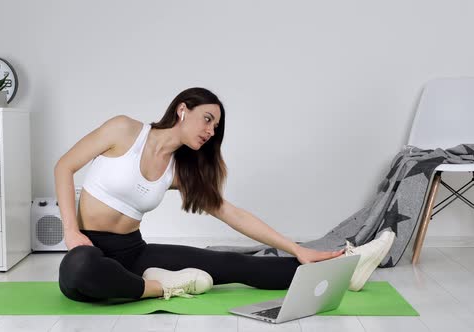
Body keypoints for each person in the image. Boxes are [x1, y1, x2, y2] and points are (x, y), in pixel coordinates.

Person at [54, 87, 390, 302]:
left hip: (133, 252)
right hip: (88, 248)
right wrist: (70, 230)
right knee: (80, 269)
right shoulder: (124, 130)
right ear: (182, 109)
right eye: (207, 119)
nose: (210, 131)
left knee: (234, 264)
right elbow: (64, 167)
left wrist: (297, 248)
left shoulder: (179, 171)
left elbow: (233, 214)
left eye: (215, 129)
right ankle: (164, 286)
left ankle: (346, 269)